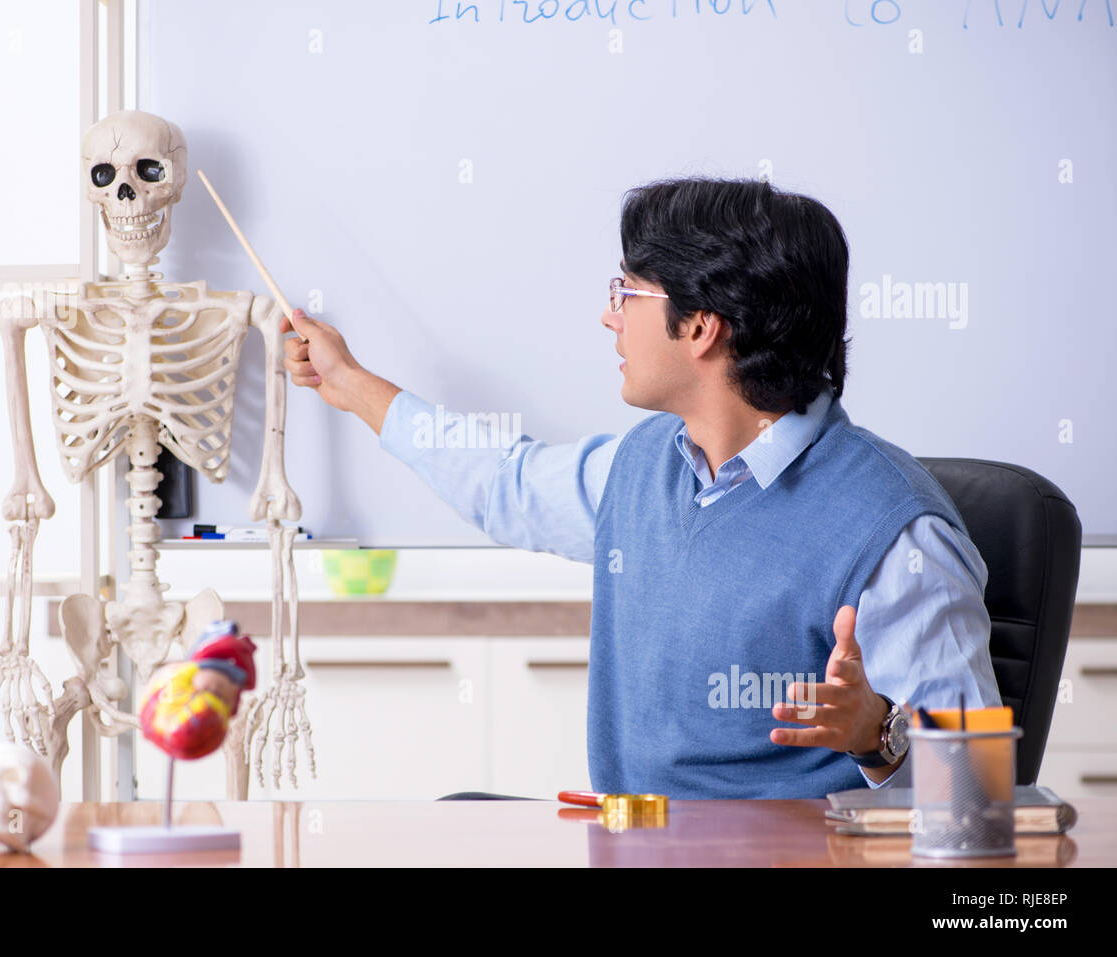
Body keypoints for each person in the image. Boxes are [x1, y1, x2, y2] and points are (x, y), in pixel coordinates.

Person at [275, 178, 1001, 799]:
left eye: (626, 292)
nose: (607, 314)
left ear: (702, 328)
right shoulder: (647, 465)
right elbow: (507, 482)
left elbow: (979, 798)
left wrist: (878, 736)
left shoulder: (899, 535)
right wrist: (352, 384)